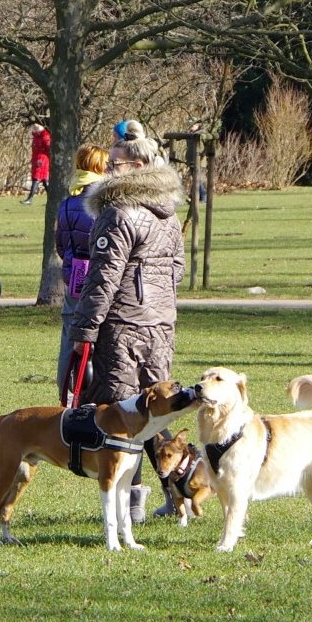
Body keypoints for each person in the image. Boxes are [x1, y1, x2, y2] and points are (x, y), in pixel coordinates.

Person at [69, 129, 185, 523]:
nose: (107, 170)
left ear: (136, 167)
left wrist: (83, 331)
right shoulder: (168, 213)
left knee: (123, 415)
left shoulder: (117, 213)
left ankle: (129, 503)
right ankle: (177, 495)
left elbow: (103, 280)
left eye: (114, 163)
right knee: (159, 412)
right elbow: (176, 271)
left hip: (122, 326)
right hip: (161, 326)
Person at [55, 144, 108, 402]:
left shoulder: (66, 204)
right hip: (99, 280)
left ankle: (65, 390)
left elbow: (60, 245)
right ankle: (89, 392)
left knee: (69, 336)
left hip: (74, 277)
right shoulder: (105, 207)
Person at [22, 123, 51, 204]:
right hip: (36, 159)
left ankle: (30, 199)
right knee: (44, 180)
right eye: (34, 126)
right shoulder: (36, 136)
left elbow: (48, 149)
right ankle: (51, 199)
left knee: (36, 178)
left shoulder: (45, 136)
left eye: (37, 126)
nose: (35, 127)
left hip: (42, 160)